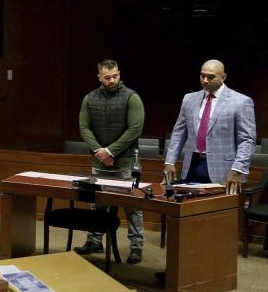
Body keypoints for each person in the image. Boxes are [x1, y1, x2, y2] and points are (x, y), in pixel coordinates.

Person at [73, 59, 147, 263]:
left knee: (132, 206)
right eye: (107, 77)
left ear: (119, 74)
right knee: (97, 205)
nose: (112, 80)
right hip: (99, 162)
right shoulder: (90, 98)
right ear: (99, 77)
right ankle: (95, 241)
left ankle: (136, 246)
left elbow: (134, 130)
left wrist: (110, 152)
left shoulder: (132, 97)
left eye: (115, 76)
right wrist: (99, 151)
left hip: (125, 163)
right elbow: (84, 127)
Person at [164, 59, 256, 194]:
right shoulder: (189, 99)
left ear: (223, 77)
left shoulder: (241, 102)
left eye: (211, 77)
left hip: (225, 169)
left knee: (219, 213)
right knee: (189, 212)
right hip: (192, 165)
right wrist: (169, 162)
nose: (205, 80)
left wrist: (237, 169)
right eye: (202, 76)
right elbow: (179, 133)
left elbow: (247, 140)